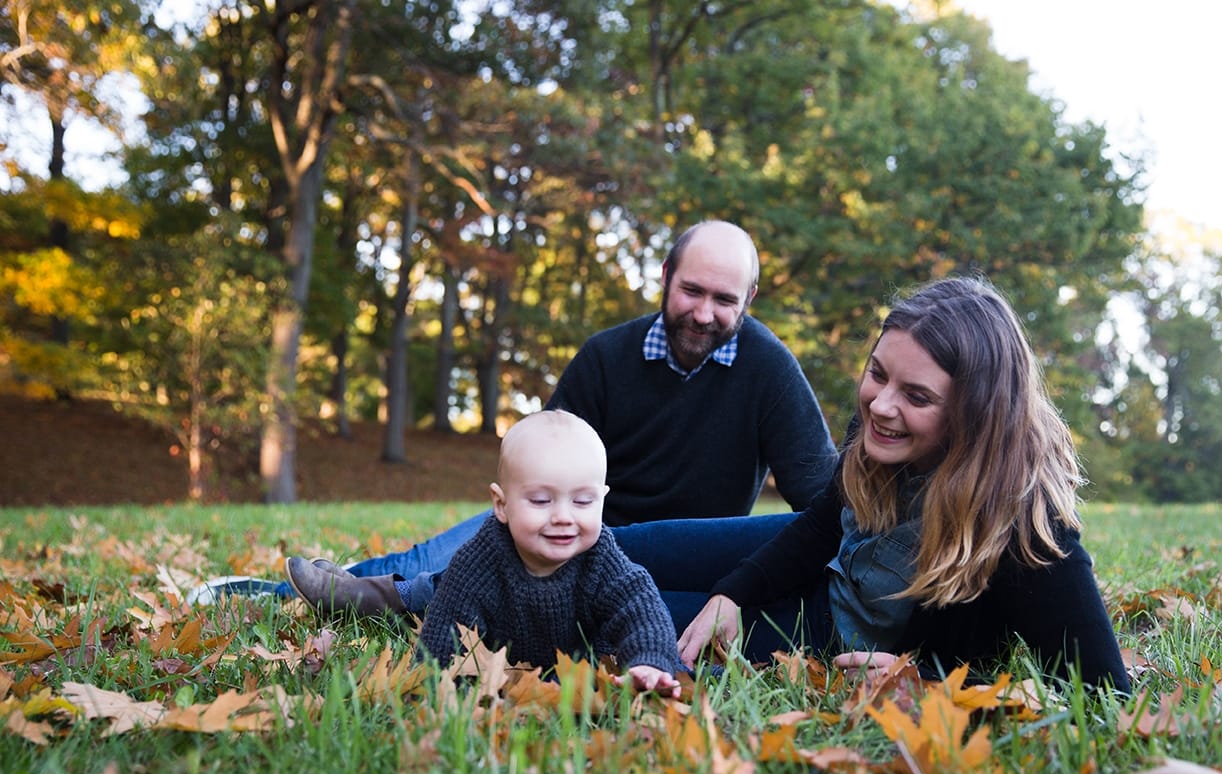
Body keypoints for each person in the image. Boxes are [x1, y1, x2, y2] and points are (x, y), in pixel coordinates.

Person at [278, 219, 837, 619]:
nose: (704, 313)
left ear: (749, 299)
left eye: (724, 299)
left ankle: (389, 599)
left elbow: (817, 490)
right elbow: (542, 457)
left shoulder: (770, 370)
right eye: (691, 290)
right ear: (665, 275)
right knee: (425, 556)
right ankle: (269, 592)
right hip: (568, 518)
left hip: (671, 550)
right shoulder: (606, 357)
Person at [664, 276, 1131, 693]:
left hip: (831, 630)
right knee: (613, 549)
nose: (881, 405)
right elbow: (823, 525)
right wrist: (733, 592)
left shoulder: (1026, 524)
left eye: (917, 396)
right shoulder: (879, 425)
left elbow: (1103, 692)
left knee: (618, 612)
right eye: (878, 374)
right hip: (818, 560)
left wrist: (925, 683)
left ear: (974, 414)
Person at [389, 410, 683, 695]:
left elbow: (639, 606)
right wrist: (439, 690)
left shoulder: (599, 556)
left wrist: (649, 662)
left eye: (582, 501)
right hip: (506, 675)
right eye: (542, 501)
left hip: (589, 673)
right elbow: (445, 635)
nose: (563, 517)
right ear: (501, 505)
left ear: (602, 500)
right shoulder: (479, 562)